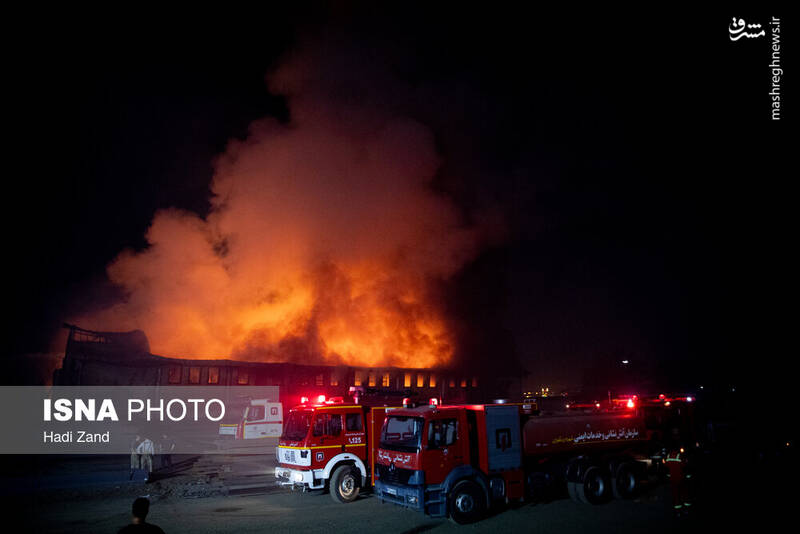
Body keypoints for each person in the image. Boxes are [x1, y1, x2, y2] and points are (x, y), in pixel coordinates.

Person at [666, 446, 691, 516]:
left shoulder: (668, 455)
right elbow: (685, 466)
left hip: (673, 479)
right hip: (681, 479)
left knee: (676, 495)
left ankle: (677, 511)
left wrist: (669, 476)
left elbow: (667, 467)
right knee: (685, 494)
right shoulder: (680, 456)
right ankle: (686, 510)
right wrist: (688, 476)